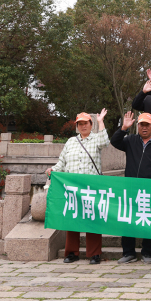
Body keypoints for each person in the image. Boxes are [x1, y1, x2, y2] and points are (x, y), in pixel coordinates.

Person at [46, 110, 109, 265]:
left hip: (91, 187)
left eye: (85, 123)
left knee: (92, 220)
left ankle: (94, 254)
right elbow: (62, 163)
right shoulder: (70, 142)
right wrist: (53, 170)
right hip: (72, 188)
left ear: (91, 124)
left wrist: (101, 121)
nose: (83, 126)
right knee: (72, 219)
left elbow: (105, 142)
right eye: (80, 124)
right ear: (77, 126)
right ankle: (71, 253)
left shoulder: (96, 139)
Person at [111, 112, 151, 264]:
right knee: (128, 221)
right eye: (141, 125)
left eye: (147, 125)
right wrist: (124, 128)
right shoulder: (130, 140)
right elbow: (115, 141)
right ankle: (128, 252)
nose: (144, 128)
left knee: (150, 222)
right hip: (130, 190)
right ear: (137, 126)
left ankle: (147, 253)